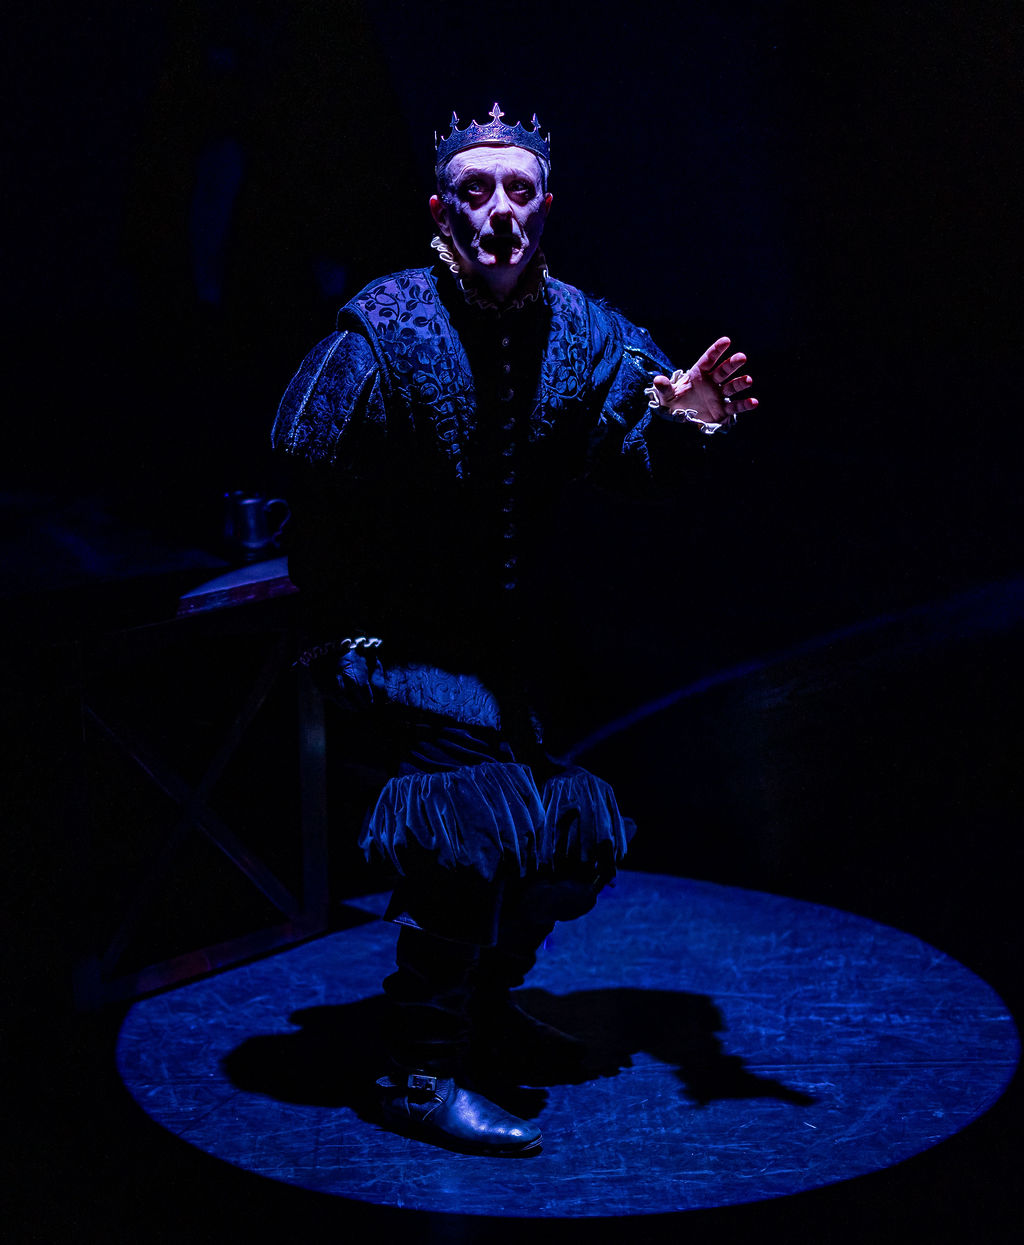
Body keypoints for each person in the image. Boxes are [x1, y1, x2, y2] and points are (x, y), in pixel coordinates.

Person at [271, 104, 757, 1156]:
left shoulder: (579, 329)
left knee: (564, 840)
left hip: (505, 659)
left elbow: (630, 447)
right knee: (479, 815)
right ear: (441, 209)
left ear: (545, 208)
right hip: (380, 645)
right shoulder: (383, 327)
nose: (500, 210)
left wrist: (684, 420)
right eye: (477, 190)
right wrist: (363, 603)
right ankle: (415, 1067)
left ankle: (484, 1010)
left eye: (520, 190)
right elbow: (305, 472)